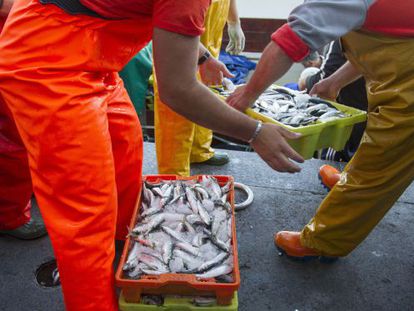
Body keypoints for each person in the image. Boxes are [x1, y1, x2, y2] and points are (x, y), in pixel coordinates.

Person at [0, 0, 303, 310]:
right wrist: (255, 132)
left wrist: (202, 57)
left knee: (126, 160)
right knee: (85, 210)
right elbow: (177, 90)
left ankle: (130, 255)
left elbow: (168, 17)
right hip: (44, 58)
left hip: (96, 57)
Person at [228, 0, 414, 259]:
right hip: (400, 74)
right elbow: (385, 40)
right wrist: (332, 82)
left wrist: (247, 95)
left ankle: (325, 240)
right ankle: (351, 183)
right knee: (378, 145)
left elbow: (289, 41)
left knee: (384, 159)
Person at [154, 0, 246, 176]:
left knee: (207, 83)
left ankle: (199, 150)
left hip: (212, 17)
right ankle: (173, 172)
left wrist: (234, 21)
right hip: (180, 13)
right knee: (178, 93)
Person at [0, 0, 47, 240]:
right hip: (12, 28)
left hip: (26, 27)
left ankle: (30, 190)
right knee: (15, 131)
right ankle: (11, 216)